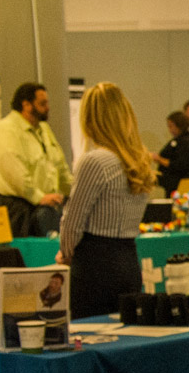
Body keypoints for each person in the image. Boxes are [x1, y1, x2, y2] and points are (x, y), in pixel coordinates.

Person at [60, 83, 157, 318]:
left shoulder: (95, 161)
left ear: (90, 120)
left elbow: (72, 222)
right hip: (128, 261)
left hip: (94, 266)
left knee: (90, 337)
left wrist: (65, 252)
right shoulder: (139, 160)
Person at [0, 81, 73, 237]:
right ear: (26, 105)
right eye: (42, 103)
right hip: (17, 210)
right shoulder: (5, 130)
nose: (47, 107)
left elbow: (60, 168)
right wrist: (39, 197)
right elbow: (14, 172)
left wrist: (76, 193)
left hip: (43, 206)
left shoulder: (44, 129)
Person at [154, 110, 189, 195]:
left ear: (179, 125)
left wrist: (160, 159)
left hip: (184, 185)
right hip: (172, 185)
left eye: (171, 126)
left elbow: (181, 165)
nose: (170, 130)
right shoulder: (176, 141)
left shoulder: (187, 142)